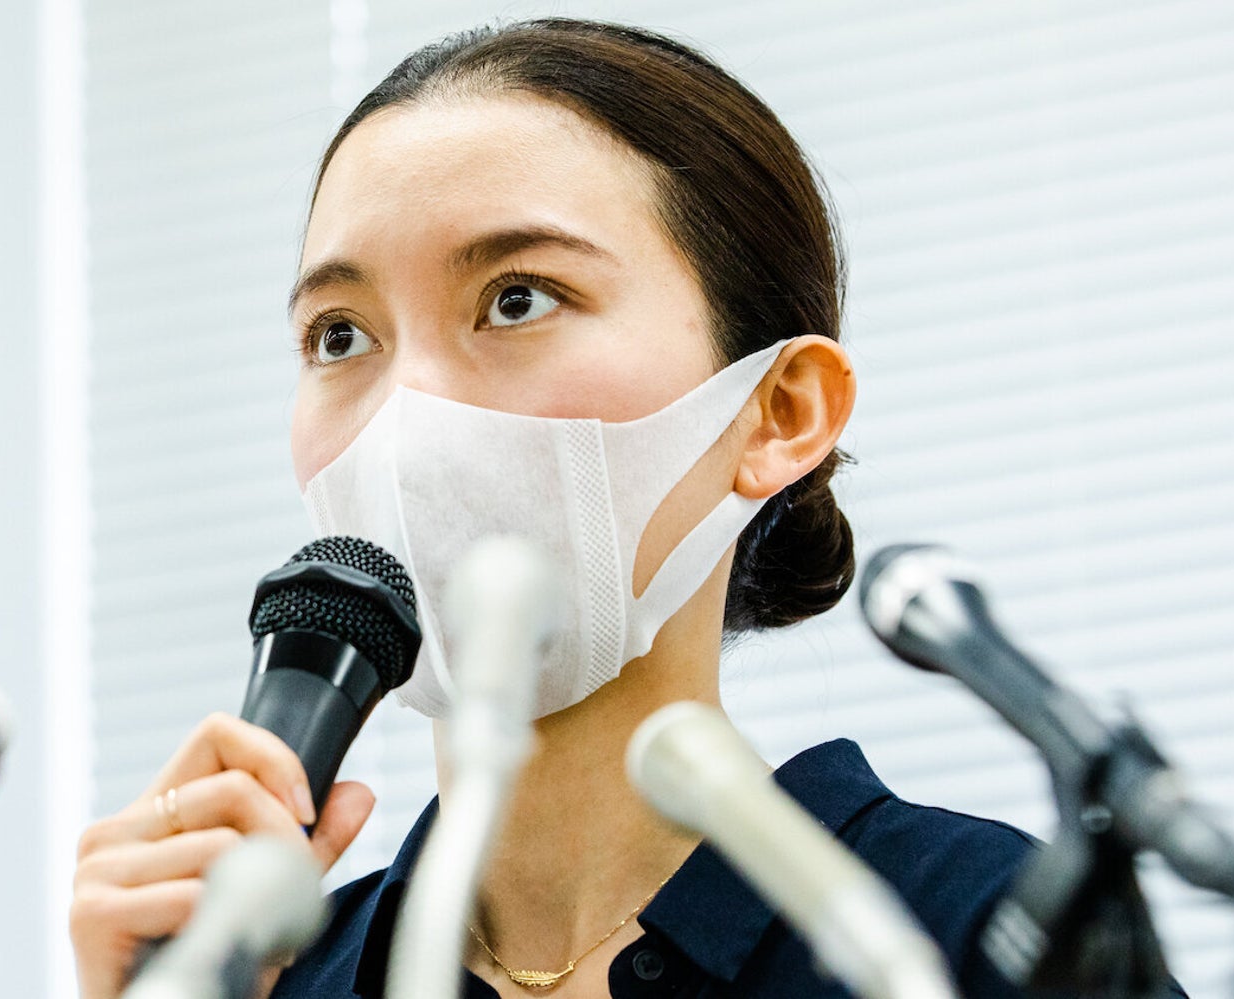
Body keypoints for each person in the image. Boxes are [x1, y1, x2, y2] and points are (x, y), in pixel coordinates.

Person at [71, 18, 1048, 999]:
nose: (407, 413)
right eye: (339, 335)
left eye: (518, 298)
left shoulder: (987, 938)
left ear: (779, 413)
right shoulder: (268, 980)